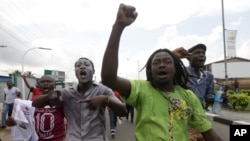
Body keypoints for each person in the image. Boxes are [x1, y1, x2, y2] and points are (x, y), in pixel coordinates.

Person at [101, 3, 222, 141]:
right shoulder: (142, 90)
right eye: (156, 63)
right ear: (150, 71)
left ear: (176, 68)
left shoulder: (188, 97)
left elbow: (207, 131)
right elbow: (108, 78)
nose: (162, 65)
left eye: (167, 62)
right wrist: (118, 26)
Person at [32, 57, 127, 140]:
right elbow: (35, 104)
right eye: (78, 65)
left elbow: (123, 112)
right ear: (76, 72)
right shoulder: (66, 92)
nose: (82, 67)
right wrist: (49, 96)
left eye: (86, 64)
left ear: (93, 71)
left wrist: (106, 100)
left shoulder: (104, 90)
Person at [7, 75, 66, 141]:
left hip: (58, 138)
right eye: (42, 82)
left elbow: (70, 121)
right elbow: (27, 122)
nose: (45, 83)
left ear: (54, 85)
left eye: (49, 81)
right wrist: (15, 123)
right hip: (37, 138)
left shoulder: (61, 100)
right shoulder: (32, 103)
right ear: (39, 87)